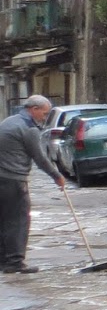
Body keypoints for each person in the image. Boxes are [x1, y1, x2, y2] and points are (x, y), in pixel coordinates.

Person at [0, 94, 70, 274]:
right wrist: (56, 175)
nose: (45, 118)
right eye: (44, 114)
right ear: (34, 109)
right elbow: (40, 157)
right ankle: (14, 262)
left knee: (4, 219)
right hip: (13, 179)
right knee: (19, 220)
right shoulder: (28, 128)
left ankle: (3, 260)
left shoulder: (9, 121)